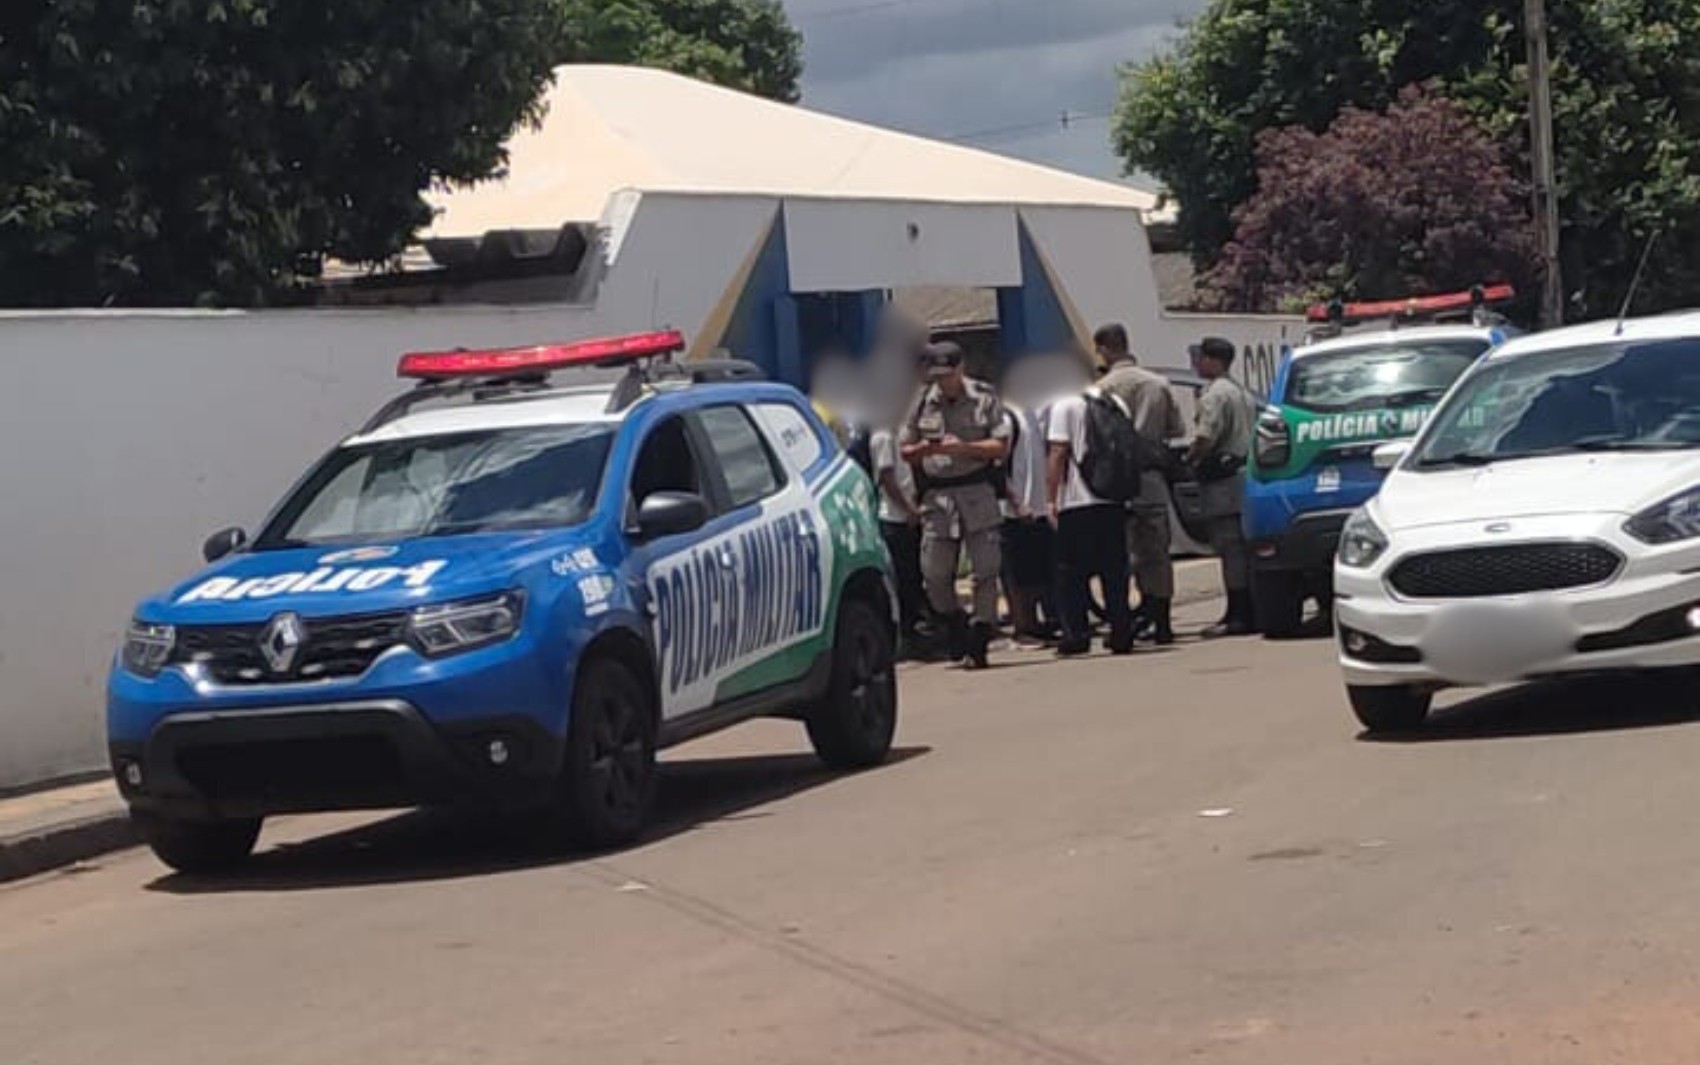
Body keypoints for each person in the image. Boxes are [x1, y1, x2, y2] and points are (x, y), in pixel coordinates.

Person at [901, 341, 1011, 669]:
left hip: (976, 489)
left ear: (961, 368)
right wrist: (926, 449)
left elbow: (999, 446)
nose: (943, 382)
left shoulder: (984, 397)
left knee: (986, 569)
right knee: (934, 575)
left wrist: (963, 448)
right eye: (937, 376)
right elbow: (905, 450)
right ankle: (955, 622)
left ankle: (980, 634)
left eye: (948, 374)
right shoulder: (921, 401)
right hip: (938, 497)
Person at [1095, 323, 1186, 645]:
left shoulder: (1101, 389)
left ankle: (1140, 612)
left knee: (1128, 551)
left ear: (1103, 349)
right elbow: (1176, 429)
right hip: (1151, 476)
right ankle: (1161, 620)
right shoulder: (1158, 384)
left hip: (1116, 481)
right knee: (1158, 551)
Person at [1045, 359, 1136, 657]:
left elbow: (1058, 452)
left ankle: (1077, 634)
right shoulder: (1116, 403)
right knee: (1114, 569)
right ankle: (1121, 631)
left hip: (1077, 499)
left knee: (1070, 572)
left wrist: (1050, 498)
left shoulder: (1064, 406)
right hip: (1112, 497)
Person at [1187, 336, 1259, 638]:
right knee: (1243, 548)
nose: (1196, 363)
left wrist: (1192, 458)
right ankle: (1249, 609)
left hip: (1223, 482)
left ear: (1213, 360)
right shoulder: (1243, 393)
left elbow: (1206, 436)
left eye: (1200, 358)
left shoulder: (1215, 395)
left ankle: (1238, 615)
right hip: (1245, 477)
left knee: (1230, 550)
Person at [869, 421, 927, 655]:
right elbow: (887, 477)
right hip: (894, 518)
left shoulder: (903, 429)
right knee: (902, 580)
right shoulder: (883, 434)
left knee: (914, 577)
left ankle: (915, 629)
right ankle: (905, 636)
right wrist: (908, 509)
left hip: (909, 516)